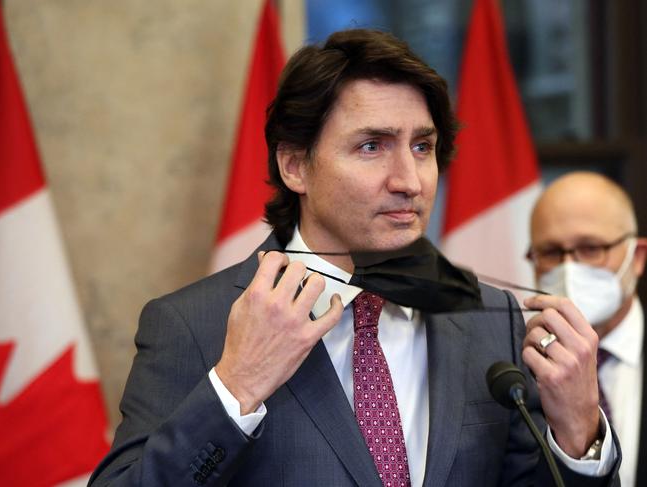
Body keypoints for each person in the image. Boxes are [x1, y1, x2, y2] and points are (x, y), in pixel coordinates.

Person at [90, 30, 620, 486]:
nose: (409, 182)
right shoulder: (193, 323)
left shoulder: (492, 318)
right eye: (372, 146)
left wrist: (579, 437)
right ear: (296, 166)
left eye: (422, 147)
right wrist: (237, 385)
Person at [528, 171, 646, 487]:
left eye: (591, 248)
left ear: (637, 257)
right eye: (552, 252)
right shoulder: (512, 371)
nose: (570, 268)